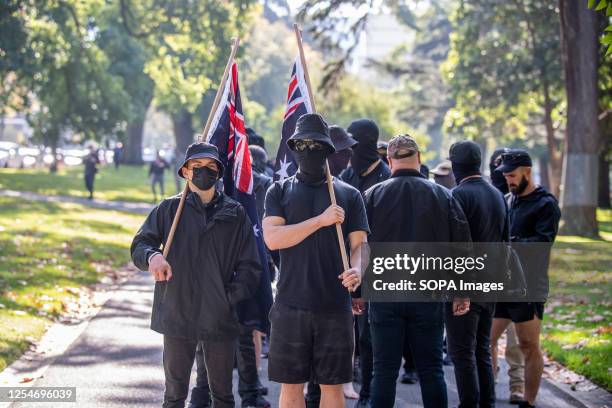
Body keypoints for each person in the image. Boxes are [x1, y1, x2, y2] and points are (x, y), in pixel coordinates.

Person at [131, 142, 262, 408]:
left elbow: (251, 265)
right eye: (197, 166)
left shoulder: (235, 213)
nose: (204, 171)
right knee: (174, 394)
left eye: (211, 166)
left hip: (219, 317)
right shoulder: (169, 210)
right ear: (185, 171)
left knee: (223, 396)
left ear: (219, 172)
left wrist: (228, 298)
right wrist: (153, 256)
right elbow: (139, 245)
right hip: (177, 311)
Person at [262, 113, 369, 408]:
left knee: (332, 389)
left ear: (328, 150)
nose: (308, 151)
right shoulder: (279, 190)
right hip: (289, 304)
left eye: (316, 145)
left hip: (334, 306)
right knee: (291, 387)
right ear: (293, 148)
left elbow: (360, 245)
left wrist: (357, 270)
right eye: (302, 145)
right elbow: (273, 238)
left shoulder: (349, 195)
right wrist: (320, 220)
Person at [364, 134, 471, 408]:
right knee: (431, 370)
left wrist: (357, 291)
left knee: (384, 372)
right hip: (428, 295)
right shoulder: (443, 196)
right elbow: (462, 247)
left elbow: (358, 248)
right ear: (420, 158)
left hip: (384, 294)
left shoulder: (373, 196)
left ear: (388, 161)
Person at [490, 149, 561, 408]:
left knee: (528, 344)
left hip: (529, 286)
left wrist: (511, 245)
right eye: (505, 175)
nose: (508, 180)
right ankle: (487, 394)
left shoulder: (546, 204)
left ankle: (528, 402)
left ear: (527, 172)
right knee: (486, 340)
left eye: (512, 175)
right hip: (503, 283)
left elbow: (543, 244)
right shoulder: (509, 200)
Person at [445, 140, 507, 408]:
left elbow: (459, 246)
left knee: (461, 352)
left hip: (466, 286)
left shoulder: (458, 195)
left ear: (455, 165)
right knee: (482, 348)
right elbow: (505, 241)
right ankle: (488, 403)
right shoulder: (496, 194)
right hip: (491, 281)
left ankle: (469, 403)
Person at [339, 119, 390, 408]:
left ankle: (369, 392)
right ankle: (349, 378)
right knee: (350, 333)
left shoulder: (384, 179)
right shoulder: (348, 174)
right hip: (350, 266)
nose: (351, 153)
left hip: (377, 267)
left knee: (371, 338)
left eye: (355, 146)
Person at [490, 147, 525, 404]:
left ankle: (517, 386)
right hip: (498, 276)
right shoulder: (502, 200)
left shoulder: (532, 200)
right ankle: (489, 381)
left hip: (521, 281)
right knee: (487, 338)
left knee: (515, 342)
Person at [340, 119, 391, 191]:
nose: (350, 149)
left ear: (369, 141)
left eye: (353, 143)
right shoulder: (348, 174)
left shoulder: (386, 178)